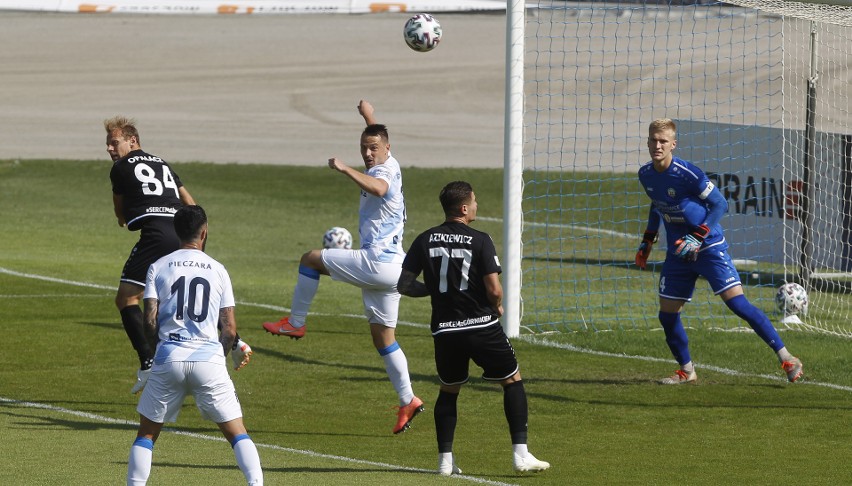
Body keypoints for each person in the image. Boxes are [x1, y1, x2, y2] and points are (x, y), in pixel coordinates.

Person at [262, 100, 424, 434]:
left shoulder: (381, 173)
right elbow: (376, 136)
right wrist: (368, 116)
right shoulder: (389, 160)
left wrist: (345, 168)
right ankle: (408, 399)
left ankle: (295, 323)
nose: (368, 153)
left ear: (387, 149)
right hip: (394, 269)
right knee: (383, 339)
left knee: (310, 258)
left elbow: (378, 187)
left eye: (373, 149)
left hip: (376, 262)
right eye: (364, 149)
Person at [397, 181, 550, 475]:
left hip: (445, 330)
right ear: (464, 208)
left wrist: (438, 291)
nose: (477, 205)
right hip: (481, 326)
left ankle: (444, 462)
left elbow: (404, 284)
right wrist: (496, 306)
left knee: (449, 390)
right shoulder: (480, 240)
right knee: (512, 381)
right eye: (475, 201)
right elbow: (494, 289)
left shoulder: (424, 239)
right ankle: (521, 455)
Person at [636, 118, 804, 384]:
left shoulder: (687, 173)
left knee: (737, 303)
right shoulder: (645, 174)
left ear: (673, 144)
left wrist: (698, 235)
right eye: (654, 140)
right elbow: (657, 204)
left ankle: (786, 357)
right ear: (647, 142)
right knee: (666, 315)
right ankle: (687, 371)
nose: (658, 145)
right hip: (679, 253)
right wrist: (647, 240)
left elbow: (720, 204)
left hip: (708, 247)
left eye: (663, 141)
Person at [105, 116, 251, 394]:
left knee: (127, 298)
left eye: (115, 143)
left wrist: (123, 219)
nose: (111, 150)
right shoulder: (161, 162)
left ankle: (148, 362)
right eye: (108, 145)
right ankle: (236, 341)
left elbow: (120, 211)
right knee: (181, 292)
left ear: (132, 140)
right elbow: (190, 201)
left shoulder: (120, 168)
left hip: (157, 234)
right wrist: (197, 233)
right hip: (185, 231)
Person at [127, 205, 263, 485]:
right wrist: (220, 357)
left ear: (177, 233)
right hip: (209, 361)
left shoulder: (159, 266)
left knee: (147, 435)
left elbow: (150, 321)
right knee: (237, 433)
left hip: (169, 358)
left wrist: (157, 355)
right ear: (204, 232)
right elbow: (229, 328)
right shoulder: (219, 270)